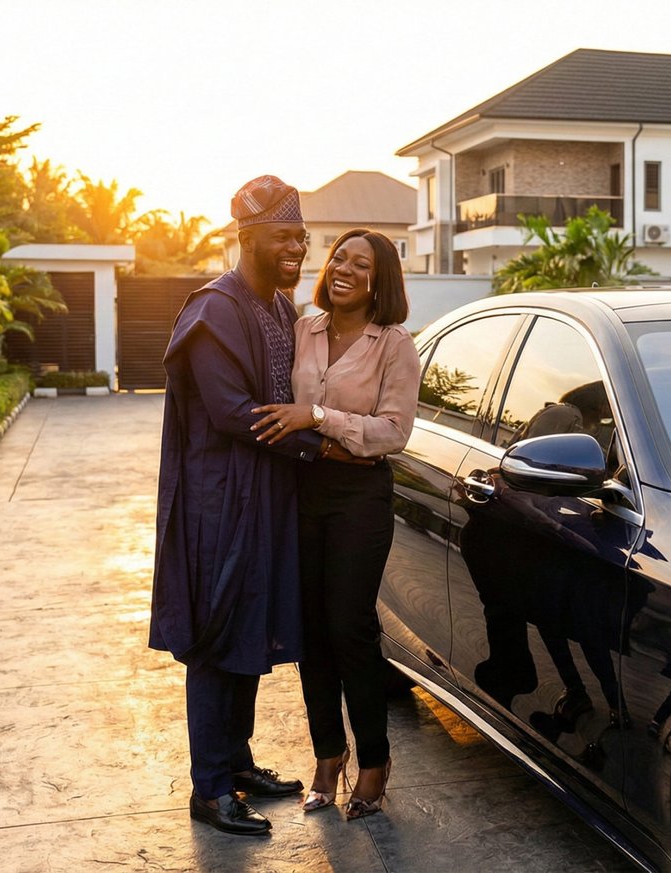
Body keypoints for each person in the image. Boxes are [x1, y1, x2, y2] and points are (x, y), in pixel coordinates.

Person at [150, 175, 331, 837]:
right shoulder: (212, 311)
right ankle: (209, 786)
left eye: (301, 236)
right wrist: (321, 442)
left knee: (251, 628)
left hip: (267, 497)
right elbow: (232, 413)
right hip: (219, 503)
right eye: (283, 236)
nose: (297, 247)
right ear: (247, 239)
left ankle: (239, 761)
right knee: (216, 635)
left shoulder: (281, 308)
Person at [250, 228, 419, 820]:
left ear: (382, 280)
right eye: (340, 257)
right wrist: (325, 433)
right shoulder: (305, 328)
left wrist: (318, 417)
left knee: (349, 628)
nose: (344, 268)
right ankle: (328, 756)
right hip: (302, 492)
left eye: (361, 264)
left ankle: (374, 760)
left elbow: (394, 432)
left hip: (358, 499)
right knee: (311, 631)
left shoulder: (395, 344)